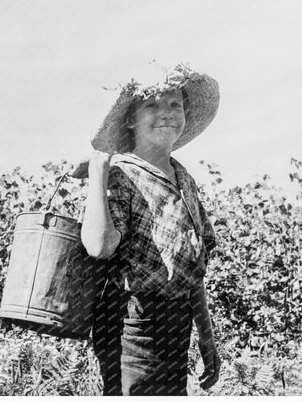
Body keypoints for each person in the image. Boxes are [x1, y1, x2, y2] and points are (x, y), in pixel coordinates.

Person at [71, 64, 221, 396]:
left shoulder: (184, 180)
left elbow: (192, 270)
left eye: (174, 105)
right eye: (152, 105)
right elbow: (98, 246)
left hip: (175, 324)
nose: (166, 113)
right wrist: (99, 168)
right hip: (131, 324)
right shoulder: (121, 175)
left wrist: (206, 337)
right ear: (131, 119)